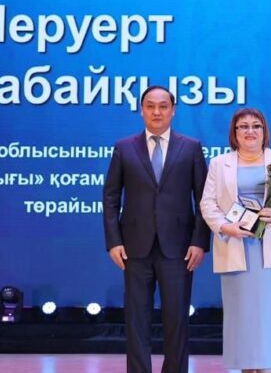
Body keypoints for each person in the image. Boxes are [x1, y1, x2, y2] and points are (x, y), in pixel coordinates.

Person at [103, 86, 210, 373]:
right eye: (150, 106)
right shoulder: (124, 147)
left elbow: (204, 199)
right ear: (141, 110)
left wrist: (200, 241)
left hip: (179, 248)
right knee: (136, 320)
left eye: (163, 106)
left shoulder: (191, 147)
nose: (157, 112)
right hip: (134, 247)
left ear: (173, 110)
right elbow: (111, 197)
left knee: (177, 320)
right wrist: (113, 241)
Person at [200, 108, 271, 373]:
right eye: (243, 126)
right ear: (234, 133)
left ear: (264, 131)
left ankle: (267, 368)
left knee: (270, 318)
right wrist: (226, 227)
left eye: (256, 126)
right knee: (243, 320)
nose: (250, 131)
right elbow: (208, 203)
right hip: (238, 249)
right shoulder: (219, 163)